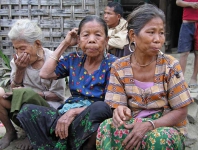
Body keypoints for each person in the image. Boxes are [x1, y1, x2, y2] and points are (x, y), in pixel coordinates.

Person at [96, 3, 194, 150]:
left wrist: (150, 125)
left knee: (159, 138)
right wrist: (120, 111)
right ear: (132, 35)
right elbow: (118, 105)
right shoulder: (119, 67)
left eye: (161, 33)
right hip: (134, 122)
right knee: (107, 128)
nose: (158, 39)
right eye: (151, 32)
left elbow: (181, 111)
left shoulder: (170, 66)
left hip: (164, 126)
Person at [16, 15, 117, 150]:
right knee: (27, 110)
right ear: (79, 40)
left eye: (98, 35)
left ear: (106, 41)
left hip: (89, 118)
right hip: (63, 114)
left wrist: (74, 112)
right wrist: (65, 43)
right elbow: (44, 74)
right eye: (85, 35)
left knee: (100, 108)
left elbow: (109, 105)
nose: (92, 40)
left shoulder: (114, 64)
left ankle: (63, 144)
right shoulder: (73, 59)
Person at [0, 19, 66, 150]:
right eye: (16, 49)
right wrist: (20, 70)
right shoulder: (17, 61)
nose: (19, 53)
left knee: (26, 96)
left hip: (48, 109)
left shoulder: (54, 60)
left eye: (22, 48)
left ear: (37, 44)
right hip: (22, 105)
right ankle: (10, 131)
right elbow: (15, 90)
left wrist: (33, 94)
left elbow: (58, 96)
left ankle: (33, 135)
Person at [176, 0, 198, 93]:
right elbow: (178, 2)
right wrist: (191, 4)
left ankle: (194, 79)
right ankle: (180, 81)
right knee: (184, 52)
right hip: (187, 23)